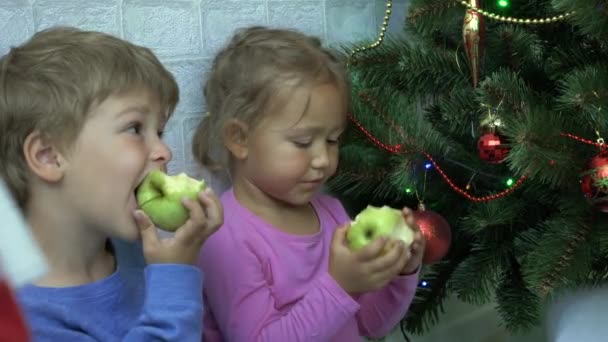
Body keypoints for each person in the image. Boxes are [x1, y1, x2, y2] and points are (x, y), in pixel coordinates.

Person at [193, 26, 425, 341]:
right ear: (240, 138)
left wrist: (400, 272)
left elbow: (370, 324)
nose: (323, 159)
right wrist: (340, 285)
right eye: (303, 142)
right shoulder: (225, 236)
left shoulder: (331, 214)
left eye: (332, 140)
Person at [0, 27, 223, 341]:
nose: (165, 151)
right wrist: (175, 278)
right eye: (134, 129)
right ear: (49, 156)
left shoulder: (134, 250)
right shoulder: (25, 321)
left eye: (159, 132)